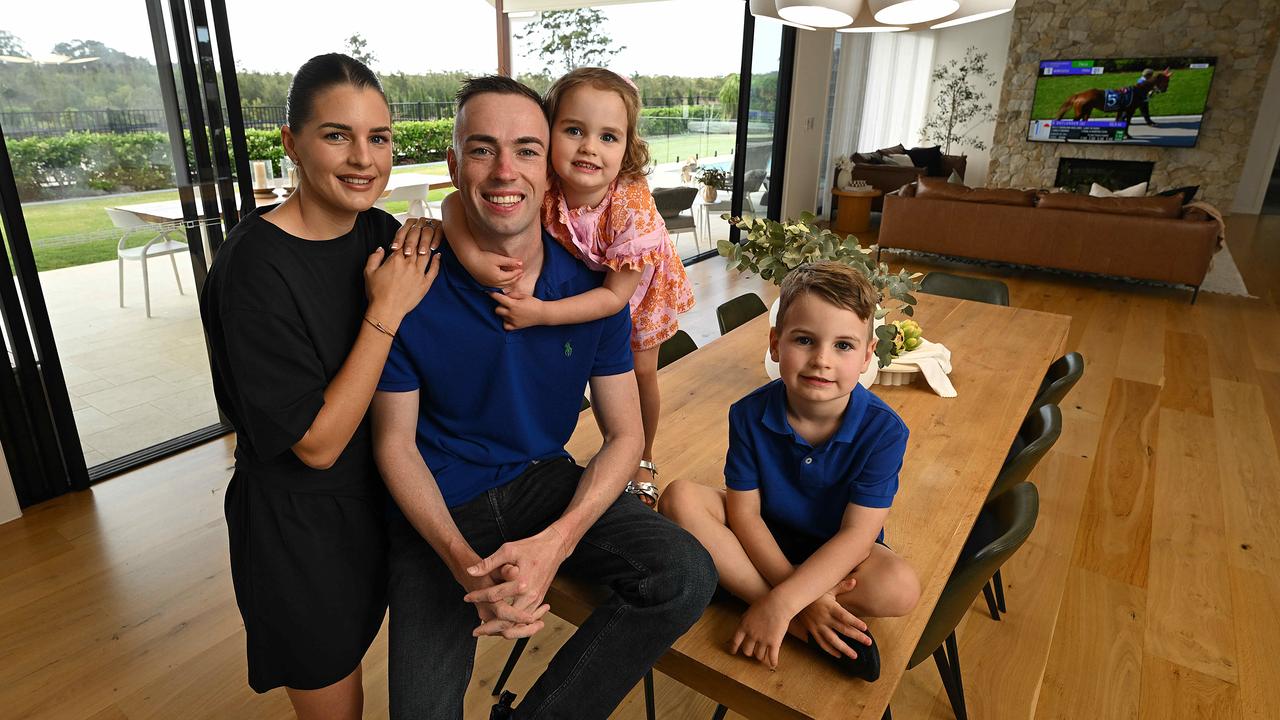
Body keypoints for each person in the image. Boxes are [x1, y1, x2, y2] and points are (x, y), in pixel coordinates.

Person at [370, 75, 717, 720]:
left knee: (685, 574)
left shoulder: (594, 290)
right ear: (453, 164)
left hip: (540, 482)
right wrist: (462, 563)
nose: (505, 170)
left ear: (548, 163)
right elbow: (394, 443)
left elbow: (626, 436)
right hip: (437, 509)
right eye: (482, 149)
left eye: (526, 149)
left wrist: (554, 545)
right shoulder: (408, 284)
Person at [201, 53, 441, 719]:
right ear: (290, 145)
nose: (364, 159)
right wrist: (384, 311)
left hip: (380, 506)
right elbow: (317, 443)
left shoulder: (378, 231)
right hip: (299, 535)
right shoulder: (253, 269)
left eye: (379, 137)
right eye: (337, 135)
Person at [440, 67, 695, 505]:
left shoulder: (631, 205)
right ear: (549, 132)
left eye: (608, 138)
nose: (589, 148)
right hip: (588, 278)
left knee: (640, 370)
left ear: (627, 149)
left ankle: (644, 457)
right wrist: (473, 258)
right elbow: (452, 201)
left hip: (637, 284)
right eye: (574, 130)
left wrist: (541, 313)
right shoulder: (542, 180)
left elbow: (616, 297)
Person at [659, 261, 921, 681]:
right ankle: (801, 624)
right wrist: (794, 600)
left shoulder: (885, 431)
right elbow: (744, 515)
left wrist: (785, 598)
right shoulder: (747, 413)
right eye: (805, 340)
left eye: (843, 346)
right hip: (761, 532)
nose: (821, 360)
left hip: (838, 554)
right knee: (678, 497)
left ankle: (746, 591)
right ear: (776, 344)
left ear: (868, 355)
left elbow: (857, 537)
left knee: (901, 586)